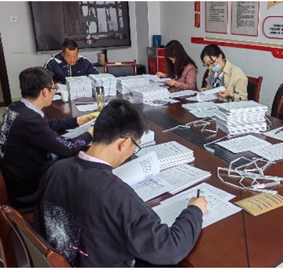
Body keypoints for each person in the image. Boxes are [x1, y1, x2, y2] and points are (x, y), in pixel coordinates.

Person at [35, 99, 207, 267]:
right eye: (135, 145)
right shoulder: (117, 196)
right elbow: (171, 249)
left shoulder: (56, 169)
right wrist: (195, 211)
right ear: (124, 144)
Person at [0, 67, 95, 206]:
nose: (54, 92)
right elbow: (67, 148)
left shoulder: (17, 107)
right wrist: (90, 133)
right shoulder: (29, 120)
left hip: (19, 172)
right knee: (81, 170)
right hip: (30, 189)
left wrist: (77, 121)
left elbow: (45, 125)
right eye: (54, 88)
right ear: (44, 92)